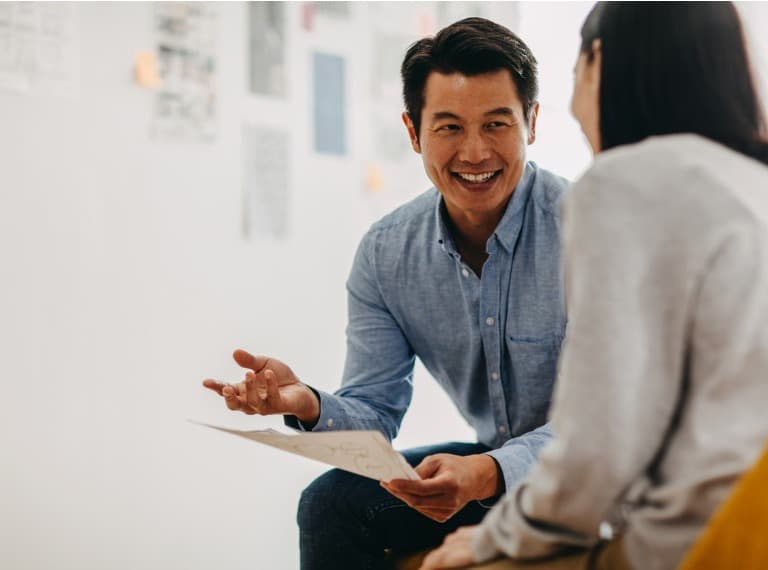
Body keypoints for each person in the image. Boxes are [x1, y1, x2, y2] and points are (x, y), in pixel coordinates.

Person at [203, 17, 568, 569]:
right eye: (449, 128)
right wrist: (306, 403)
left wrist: (488, 471)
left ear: (532, 123)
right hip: (497, 473)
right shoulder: (387, 253)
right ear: (413, 132)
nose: (474, 152)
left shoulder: (593, 232)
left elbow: (613, 426)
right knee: (328, 504)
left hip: (598, 475)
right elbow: (374, 413)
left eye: (497, 124)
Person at [420, 3, 768, 570]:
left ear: (598, 60)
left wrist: (491, 540)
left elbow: (597, 450)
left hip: (705, 541)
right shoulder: (753, 181)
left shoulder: (621, 184)